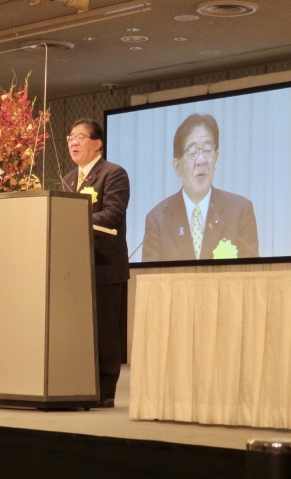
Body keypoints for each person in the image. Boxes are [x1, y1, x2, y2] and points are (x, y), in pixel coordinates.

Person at [62, 118, 130, 408]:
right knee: (77, 330)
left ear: (97, 143)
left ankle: (105, 391)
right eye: (70, 138)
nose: (73, 143)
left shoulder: (113, 173)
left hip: (104, 265)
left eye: (80, 137)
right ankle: (79, 385)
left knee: (105, 333)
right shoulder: (68, 179)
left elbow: (113, 213)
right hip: (74, 267)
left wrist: (74, 219)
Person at [142, 113, 259, 262]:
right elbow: (151, 275)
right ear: (177, 166)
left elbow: (251, 270)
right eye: (192, 153)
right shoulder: (157, 219)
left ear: (216, 158)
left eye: (208, 150)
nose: (201, 160)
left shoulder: (240, 211)